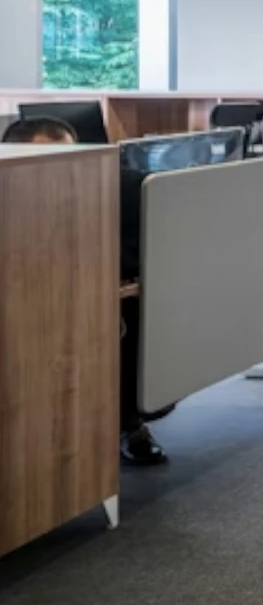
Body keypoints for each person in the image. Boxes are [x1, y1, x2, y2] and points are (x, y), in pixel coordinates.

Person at [1, 117, 169, 463]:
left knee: (132, 321)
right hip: (24, 301)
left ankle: (126, 423)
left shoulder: (107, 189)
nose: (64, 168)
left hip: (87, 295)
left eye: (71, 156)